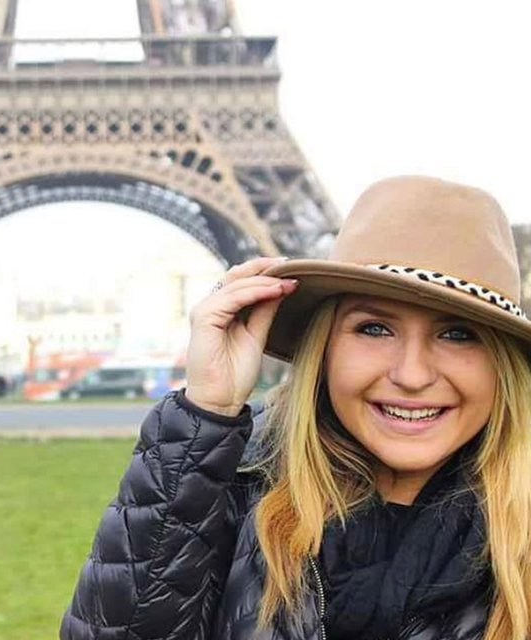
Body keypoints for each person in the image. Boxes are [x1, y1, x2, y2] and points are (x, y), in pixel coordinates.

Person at [59, 176, 531, 640]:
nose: (412, 375)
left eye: (457, 334)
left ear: (502, 367)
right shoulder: (229, 487)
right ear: (323, 348)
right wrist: (205, 414)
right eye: (373, 329)